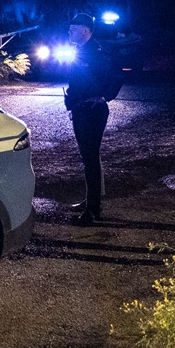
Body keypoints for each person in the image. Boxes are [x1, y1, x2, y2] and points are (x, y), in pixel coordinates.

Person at [64, 12, 115, 225]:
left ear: (85, 31)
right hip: (80, 109)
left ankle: (93, 209)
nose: (69, 31)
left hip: (92, 110)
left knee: (91, 157)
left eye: (73, 28)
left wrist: (103, 97)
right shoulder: (80, 50)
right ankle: (92, 201)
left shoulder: (97, 53)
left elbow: (116, 75)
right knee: (88, 157)